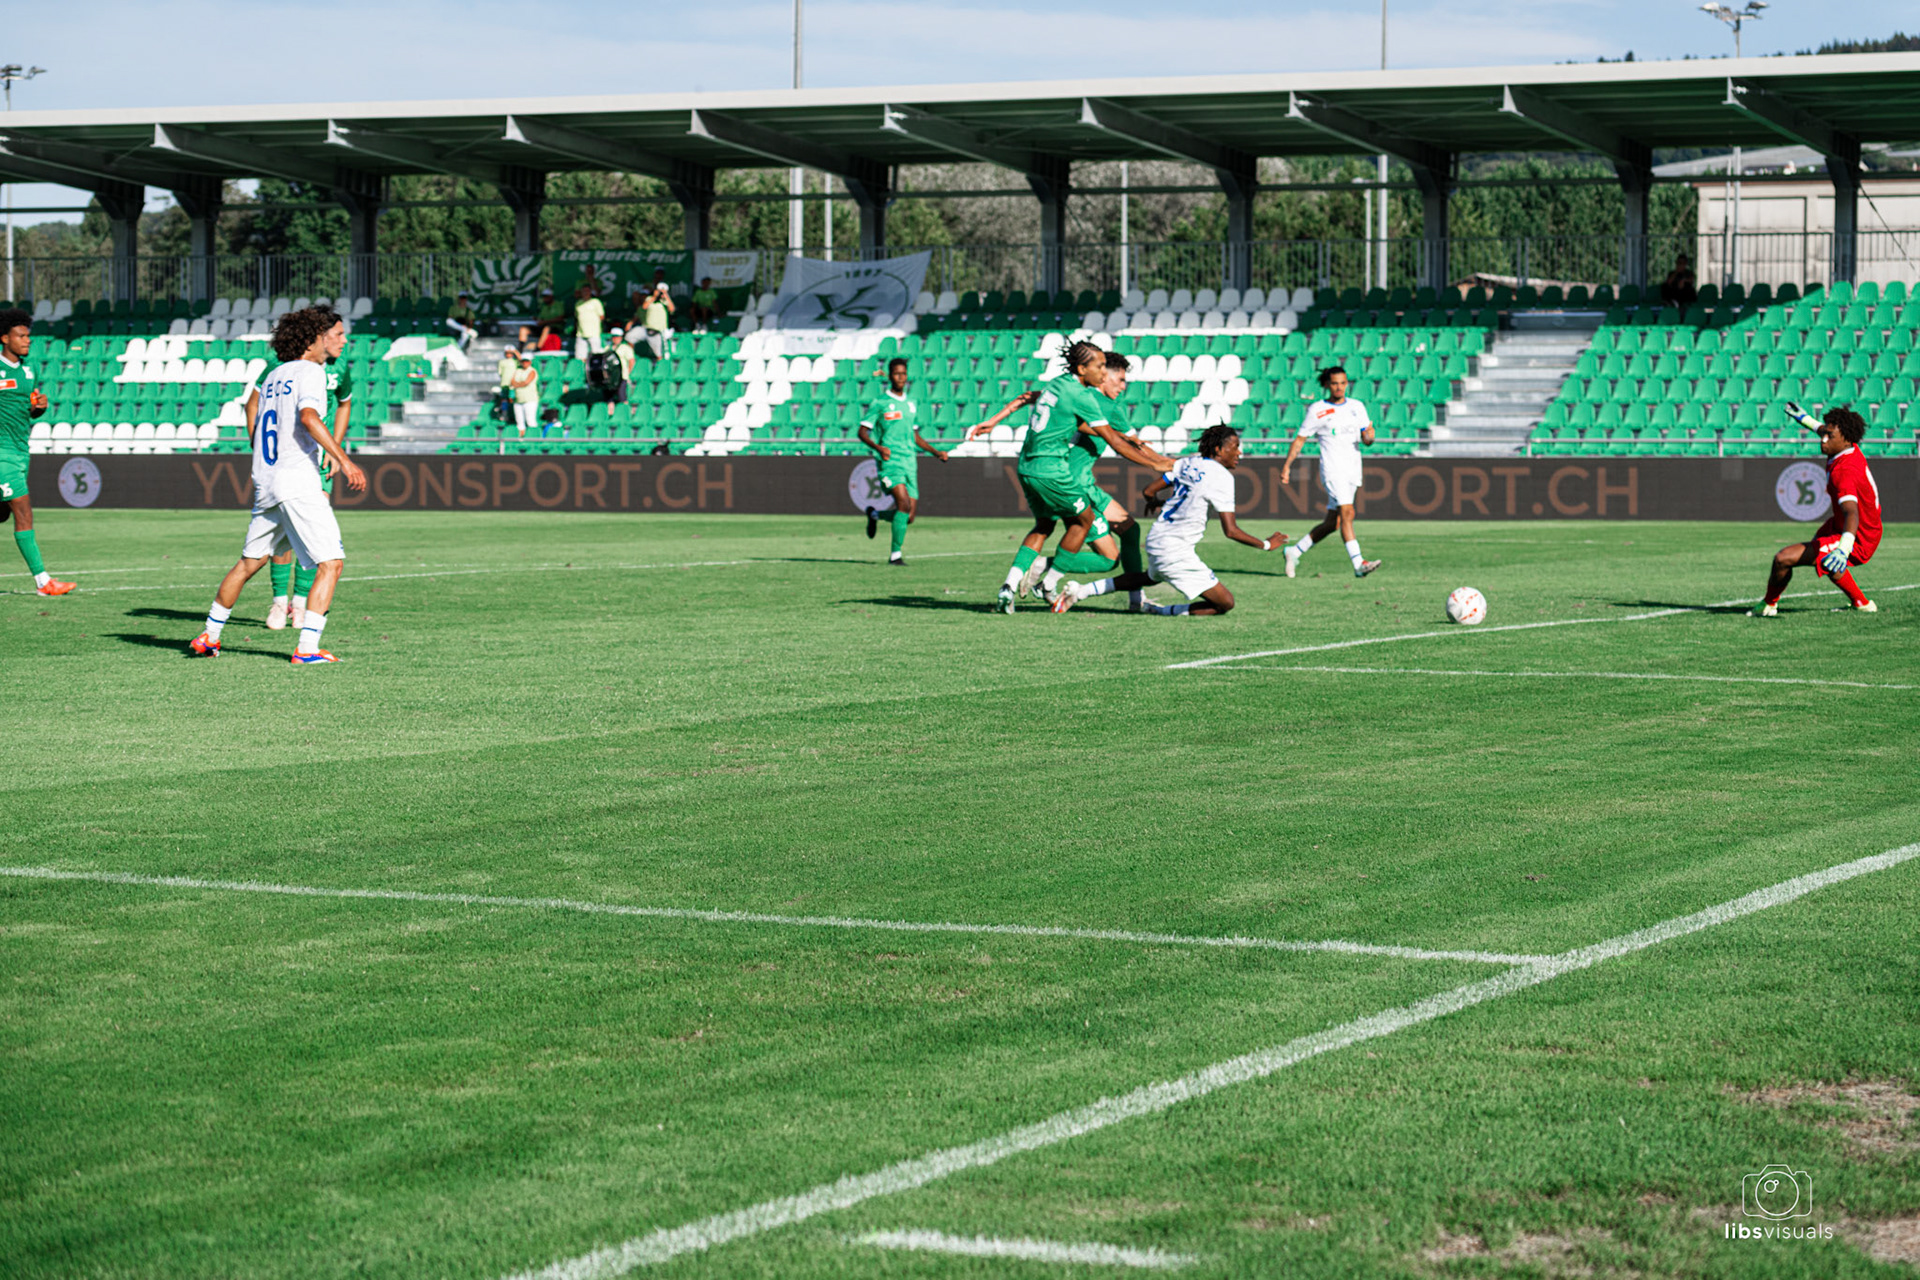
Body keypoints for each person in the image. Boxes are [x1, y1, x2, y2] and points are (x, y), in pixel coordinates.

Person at [190, 306, 367, 663]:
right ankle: (307, 648)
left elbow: (257, 412)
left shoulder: (274, 375)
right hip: (297, 481)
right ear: (312, 339)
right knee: (331, 563)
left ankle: (209, 635)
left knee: (247, 563)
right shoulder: (311, 372)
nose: (339, 341)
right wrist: (344, 458)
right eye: (333, 335)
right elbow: (308, 417)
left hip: (266, 481)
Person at [988, 341, 1172, 614]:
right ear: (1102, 375)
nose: (1123, 387)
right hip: (1071, 484)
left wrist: (994, 420)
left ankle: (1134, 600)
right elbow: (1127, 444)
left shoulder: (1073, 390)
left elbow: (1029, 396)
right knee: (1109, 557)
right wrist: (1166, 464)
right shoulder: (1094, 401)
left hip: (1072, 480)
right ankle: (1048, 574)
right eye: (1119, 380)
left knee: (1128, 531)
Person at [1056, 425, 1285, 616]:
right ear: (1219, 449)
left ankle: (1082, 590)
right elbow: (1231, 531)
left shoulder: (1188, 462)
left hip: (1158, 538)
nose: (1239, 452)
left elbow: (1148, 490)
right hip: (1176, 549)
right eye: (1235, 447)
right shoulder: (1222, 477)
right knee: (1225, 603)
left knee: (1148, 578)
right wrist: (1266, 545)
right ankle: (1162, 611)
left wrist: (1156, 502)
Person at [242, 306, 353, 631]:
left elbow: (345, 403)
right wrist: (257, 441)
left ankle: (301, 604)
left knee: (309, 534)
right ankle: (279, 602)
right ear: (318, 336)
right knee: (284, 535)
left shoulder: (339, 367)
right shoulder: (282, 364)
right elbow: (253, 402)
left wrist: (336, 448)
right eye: (338, 334)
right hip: (288, 458)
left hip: (317, 457)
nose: (344, 341)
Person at [1753, 404, 1882, 617]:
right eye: (1825, 434)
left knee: (1783, 558)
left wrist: (1844, 548)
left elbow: (1852, 512)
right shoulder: (1846, 446)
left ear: (1846, 439)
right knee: (1826, 561)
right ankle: (1862, 603)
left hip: (1858, 534)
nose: (1823, 439)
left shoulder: (1845, 471)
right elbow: (1823, 429)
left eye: (1829, 436)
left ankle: (1768, 605)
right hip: (1846, 525)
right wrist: (1804, 419)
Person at [0, 307, 75, 596]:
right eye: (21, 336)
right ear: (4, 338)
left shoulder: (29, 371)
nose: (27, 341)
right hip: (2, 454)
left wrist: (38, 409)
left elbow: (24, 411)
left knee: (3, 515)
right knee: (24, 513)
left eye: (28, 336)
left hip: (20, 452)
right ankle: (44, 582)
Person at [1280, 366, 1380, 579]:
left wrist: (1370, 437)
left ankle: (1294, 551)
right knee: (1348, 513)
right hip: (1333, 470)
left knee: (1333, 522)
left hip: (1353, 469)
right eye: (1334, 383)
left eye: (1343, 383)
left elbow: (1367, 438)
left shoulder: (1357, 407)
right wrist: (1287, 465)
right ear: (1327, 384)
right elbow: (1300, 440)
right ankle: (1358, 563)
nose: (1339, 387)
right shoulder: (1318, 409)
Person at [857, 357, 950, 565]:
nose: (901, 377)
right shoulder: (880, 403)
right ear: (890, 376)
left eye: (904, 374)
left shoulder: (911, 403)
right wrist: (879, 448)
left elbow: (915, 436)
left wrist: (936, 452)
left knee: (908, 516)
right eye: (897, 373)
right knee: (903, 503)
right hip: (890, 463)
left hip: (910, 462)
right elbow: (862, 431)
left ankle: (874, 514)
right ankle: (895, 555)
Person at [640, 280, 675, 361]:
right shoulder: (650, 299)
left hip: (660, 330)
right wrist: (655, 296)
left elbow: (672, 309)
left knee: (660, 352)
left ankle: (661, 366)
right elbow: (644, 307)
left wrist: (665, 295)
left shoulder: (665, 301)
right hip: (648, 329)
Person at [510, 357, 540, 440]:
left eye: (526, 361)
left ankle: (534, 438)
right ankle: (521, 439)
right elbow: (512, 381)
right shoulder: (517, 371)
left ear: (530, 362)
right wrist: (520, 384)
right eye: (523, 361)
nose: (524, 363)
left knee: (530, 420)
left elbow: (526, 382)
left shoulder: (532, 371)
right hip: (518, 399)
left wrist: (517, 384)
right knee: (519, 422)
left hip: (530, 399)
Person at [574, 283, 605, 356]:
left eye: (587, 291)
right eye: (583, 291)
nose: (585, 293)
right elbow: (577, 317)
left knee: (596, 356)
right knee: (579, 357)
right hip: (580, 334)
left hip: (594, 334)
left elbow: (601, 317)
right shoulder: (578, 303)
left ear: (590, 292)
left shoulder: (596, 302)